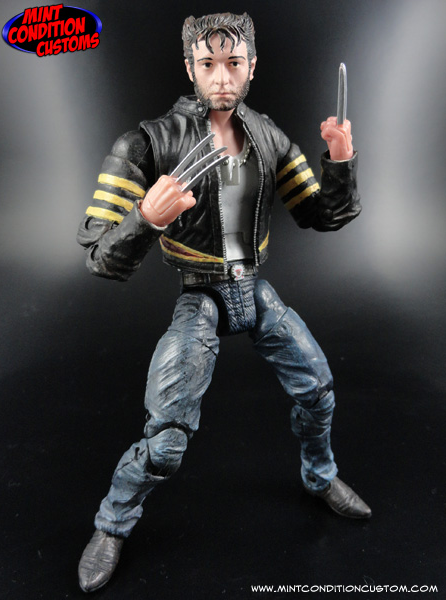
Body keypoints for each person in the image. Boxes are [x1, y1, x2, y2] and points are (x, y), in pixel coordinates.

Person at [76, 12, 371, 593]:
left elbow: (321, 214)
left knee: (318, 389)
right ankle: (111, 523)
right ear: (189, 66)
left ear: (252, 67)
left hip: (254, 289)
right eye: (207, 63)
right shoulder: (148, 143)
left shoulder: (269, 137)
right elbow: (98, 254)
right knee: (166, 440)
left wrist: (339, 160)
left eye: (233, 62)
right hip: (201, 294)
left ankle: (320, 476)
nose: (220, 76)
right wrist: (145, 217)